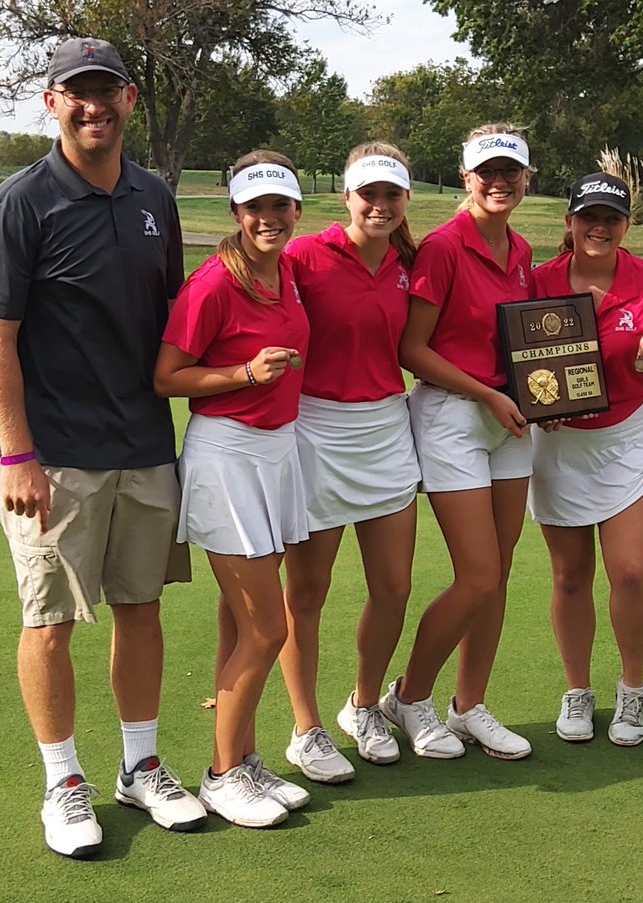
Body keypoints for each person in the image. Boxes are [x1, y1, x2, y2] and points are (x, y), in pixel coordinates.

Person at [0, 36, 205, 859]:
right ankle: (62, 780)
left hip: (144, 443)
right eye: (78, 92)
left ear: (130, 99)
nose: (93, 105)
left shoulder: (154, 196)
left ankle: (140, 765)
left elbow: (174, 317)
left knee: (141, 608)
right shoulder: (21, 201)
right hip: (56, 456)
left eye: (107, 91)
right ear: (52, 102)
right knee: (51, 620)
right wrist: (16, 453)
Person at [154, 151, 312, 827]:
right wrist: (245, 373)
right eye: (255, 208)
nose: (268, 219)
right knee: (268, 627)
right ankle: (221, 775)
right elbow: (167, 376)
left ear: (297, 210)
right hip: (227, 456)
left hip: (276, 453)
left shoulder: (289, 273)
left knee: (240, 622)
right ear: (236, 213)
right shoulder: (214, 283)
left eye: (280, 206)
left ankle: (242, 757)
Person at [383, 123, 536, 760]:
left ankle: (469, 706)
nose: (499, 182)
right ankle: (409, 696)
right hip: (453, 415)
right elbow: (413, 349)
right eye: (487, 172)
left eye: (510, 172)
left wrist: (539, 394)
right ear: (466, 178)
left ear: (526, 178)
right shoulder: (444, 248)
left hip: (509, 418)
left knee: (498, 573)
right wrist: (489, 394)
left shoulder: (521, 248)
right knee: (477, 575)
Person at [276, 143, 421, 782]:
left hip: (386, 428)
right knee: (308, 589)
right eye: (369, 194)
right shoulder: (304, 256)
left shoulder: (408, 262)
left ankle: (363, 706)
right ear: (347, 197)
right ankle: (305, 728)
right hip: (317, 430)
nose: (380, 206)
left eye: (392, 194)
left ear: (406, 199)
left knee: (393, 586)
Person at [530, 172, 643, 746]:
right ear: (570, 222)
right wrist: (538, 405)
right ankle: (577, 689)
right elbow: (519, 360)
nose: (600, 228)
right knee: (570, 576)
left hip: (628, 435)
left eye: (612, 219)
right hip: (559, 441)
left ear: (626, 225)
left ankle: (632, 688)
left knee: (630, 571)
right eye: (589, 217)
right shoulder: (538, 282)